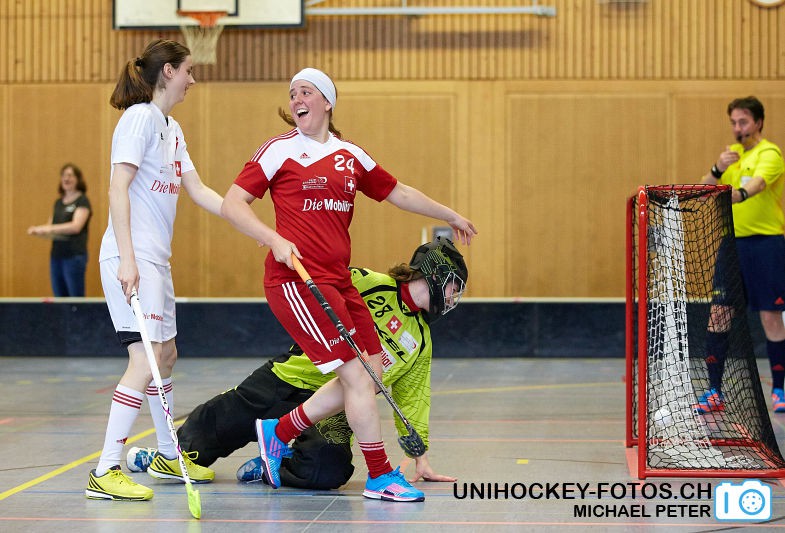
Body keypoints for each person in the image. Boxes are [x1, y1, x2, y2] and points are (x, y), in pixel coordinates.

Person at [220, 67, 477, 502]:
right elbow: (232, 204)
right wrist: (273, 238)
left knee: (373, 373)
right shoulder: (279, 150)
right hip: (296, 280)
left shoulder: (349, 155)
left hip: (339, 281)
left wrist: (449, 214)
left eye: (306, 92)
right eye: (292, 93)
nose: (297, 99)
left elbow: (398, 192)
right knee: (357, 375)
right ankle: (380, 476)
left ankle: (279, 431)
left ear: (327, 101)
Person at [127, 237, 465, 491]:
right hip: (291, 378)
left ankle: (271, 463)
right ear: (434, 274)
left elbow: (413, 400)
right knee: (220, 423)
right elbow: (322, 285)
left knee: (326, 470)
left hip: (336, 407)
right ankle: (167, 454)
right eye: (454, 287)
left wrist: (420, 457)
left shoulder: (421, 340)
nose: (454, 298)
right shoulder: (369, 283)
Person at [85, 39, 224, 502]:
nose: (192, 80)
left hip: (156, 263)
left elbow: (199, 190)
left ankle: (167, 455)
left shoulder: (173, 128)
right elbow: (117, 188)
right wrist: (127, 259)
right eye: (188, 71)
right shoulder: (138, 118)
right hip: (132, 259)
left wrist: (248, 221)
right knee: (143, 360)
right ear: (168, 72)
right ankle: (106, 470)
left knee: (166, 356)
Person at [694, 96, 785, 414]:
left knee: (770, 316)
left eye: (743, 121)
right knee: (719, 315)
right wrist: (717, 169)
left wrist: (740, 194)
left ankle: (780, 390)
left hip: (766, 245)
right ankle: (714, 391)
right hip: (732, 246)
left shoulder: (769, 153)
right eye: (733, 122)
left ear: (758, 122)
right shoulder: (731, 157)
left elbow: (757, 184)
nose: (737, 128)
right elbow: (703, 191)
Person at [27, 163, 92, 296]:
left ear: (77, 179)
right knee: (59, 299)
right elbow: (51, 227)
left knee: (75, 299)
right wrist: (38, 231)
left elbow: (76, 227)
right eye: (63, 175)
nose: (66, 178)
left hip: (74, 256)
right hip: (56, 256)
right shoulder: (58, 203)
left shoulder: (82, 201)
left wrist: (48, 228)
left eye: (70, 175)